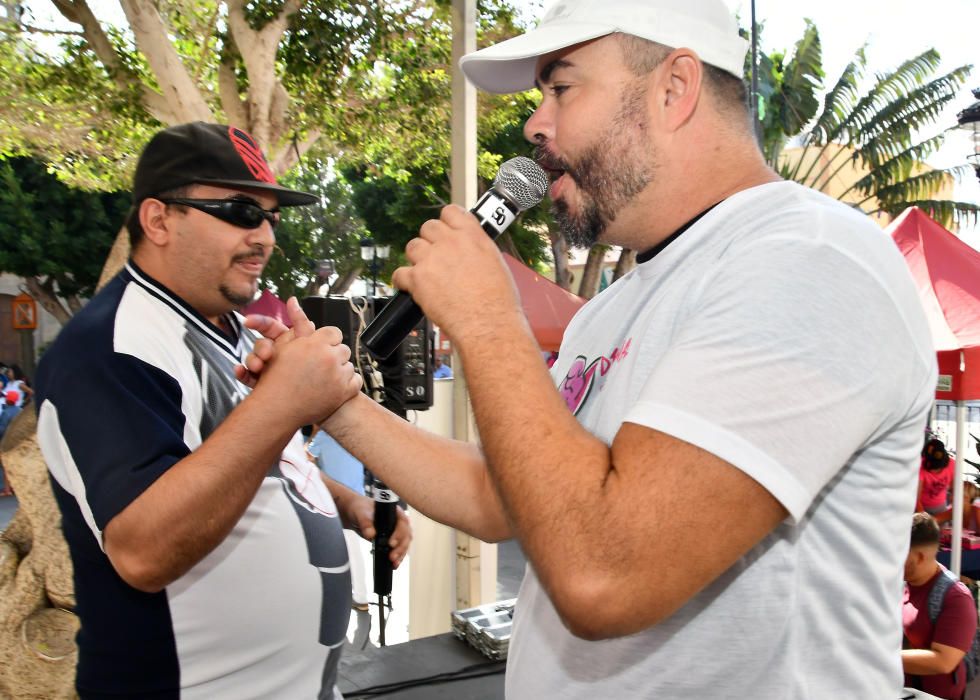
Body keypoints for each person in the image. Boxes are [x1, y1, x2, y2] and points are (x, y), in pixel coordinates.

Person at [241, 0, 935, 695]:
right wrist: (338, 404)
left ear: (674, 87)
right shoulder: (613, 309)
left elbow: (607, 573)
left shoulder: (811, 261)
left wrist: (486, 322)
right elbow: (511, 496)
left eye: (561, 87)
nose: (534, 124)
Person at [34, 122, 410, 699]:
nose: (264, 236)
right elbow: (142, 549)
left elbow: (251, 464)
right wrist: (286, 401)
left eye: (270, 218)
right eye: (240, 210)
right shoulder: (110, 347)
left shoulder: (227, 327)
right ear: (158, 220)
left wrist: (347, 505)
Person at [903, 512, 978, 699]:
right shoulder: (903, 583)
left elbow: (944, 661)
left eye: (900, 553)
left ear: (919, 557)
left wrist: (880, 657)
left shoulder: (956, 598)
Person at [306, 423, 371, 610]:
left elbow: (305, 458)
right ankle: (361, 597)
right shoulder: (357, 434)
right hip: (358, 500)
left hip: (333, 504)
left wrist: (313, 433)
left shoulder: (324, 436)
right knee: (355, 552)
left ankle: (338, 599)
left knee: (330, 554)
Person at [920, 436, 955, 515]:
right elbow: (915, 497)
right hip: (921, 507)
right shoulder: (920, 466)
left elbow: (954, 489)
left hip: (941, 507)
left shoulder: (952, 464)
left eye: (937, 467)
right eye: (931, 467)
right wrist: (924, 518)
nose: (934, 471)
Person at [0, 389, 21, 496]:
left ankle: (7, 489)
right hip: (18, 442)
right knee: (16, 465)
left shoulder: (6, 413)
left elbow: (1, 429)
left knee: (6, 466)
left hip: (6, 443)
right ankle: (15, 488)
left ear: (8, 400)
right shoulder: (20, 410)